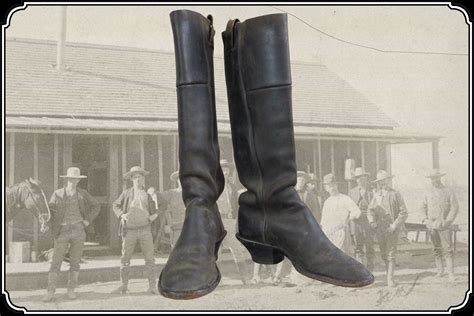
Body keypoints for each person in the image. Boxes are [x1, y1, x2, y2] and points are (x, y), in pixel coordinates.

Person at [42, 167, 100, 302]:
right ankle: (50, 291)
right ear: (67, 179)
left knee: (75, 262)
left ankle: (71, 289)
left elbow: (96, 206)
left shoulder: (83, 194)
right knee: (56, 262)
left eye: (76, 179)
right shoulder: (57, 194)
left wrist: (87, 221)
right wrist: (45, 221)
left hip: (79, 230)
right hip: (62, 231)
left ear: (78, 180)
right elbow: (49, 211)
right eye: (71, 179)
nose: (73, 181)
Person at [112, 166, 159, 295]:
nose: (138, 179)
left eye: (140, 177)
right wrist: (122, 215)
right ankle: (123, 285)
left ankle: (152, 286)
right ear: (131, 179)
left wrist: (152, 217)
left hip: (145, 230)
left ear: (143, 178)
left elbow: (156, 211)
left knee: (150, 258)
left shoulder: (148, 195)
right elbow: (115, 205)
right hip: (130, 231)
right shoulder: (126, 193)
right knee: (125, 258)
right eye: (135, 177)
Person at [368, 170, 408, 287]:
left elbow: (403, 212)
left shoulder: (396, 194)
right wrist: (372, 221)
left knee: (391, 254)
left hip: (392, 228)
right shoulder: (377, 195)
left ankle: (390, 278)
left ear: (388, 180)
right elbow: (370, 210)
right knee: (383, 253)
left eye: (384, 180)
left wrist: (394, 225)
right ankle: (387, 275)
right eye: (380, 181)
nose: (382, 183)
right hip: (380, 229)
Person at [421, 169, 459, 281]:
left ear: (440, 178)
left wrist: (447, 221)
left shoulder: (448, 191)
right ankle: (440, 271)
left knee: (448, 249)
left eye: (436, 178)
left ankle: (451, 273)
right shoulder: (427, 192)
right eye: (432, 178)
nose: (434, 180)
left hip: (444, 224)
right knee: (436, 249)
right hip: (432, 225)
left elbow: (454, 207)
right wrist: (425, 219)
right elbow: (422, 207)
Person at [320, 173, 362, 253]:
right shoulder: (327, 202)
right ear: (326, 188)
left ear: (337, 185)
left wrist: (348, 219)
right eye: (329, 186)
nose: (332, 188)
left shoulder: (344, 198)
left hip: (342, 232)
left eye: (333, 185)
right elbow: (323, 222)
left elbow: (357, 211)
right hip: (329, 234)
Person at [348, 167, 375, 272]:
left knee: (369, 245)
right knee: (358, 246)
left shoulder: (372, 190)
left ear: (366, 177)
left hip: (368, 221)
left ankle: (370, 269)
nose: (359, 179)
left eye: (361, 177)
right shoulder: (352, 192)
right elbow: (349, 208)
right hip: (356, 222)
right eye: (357, 178)